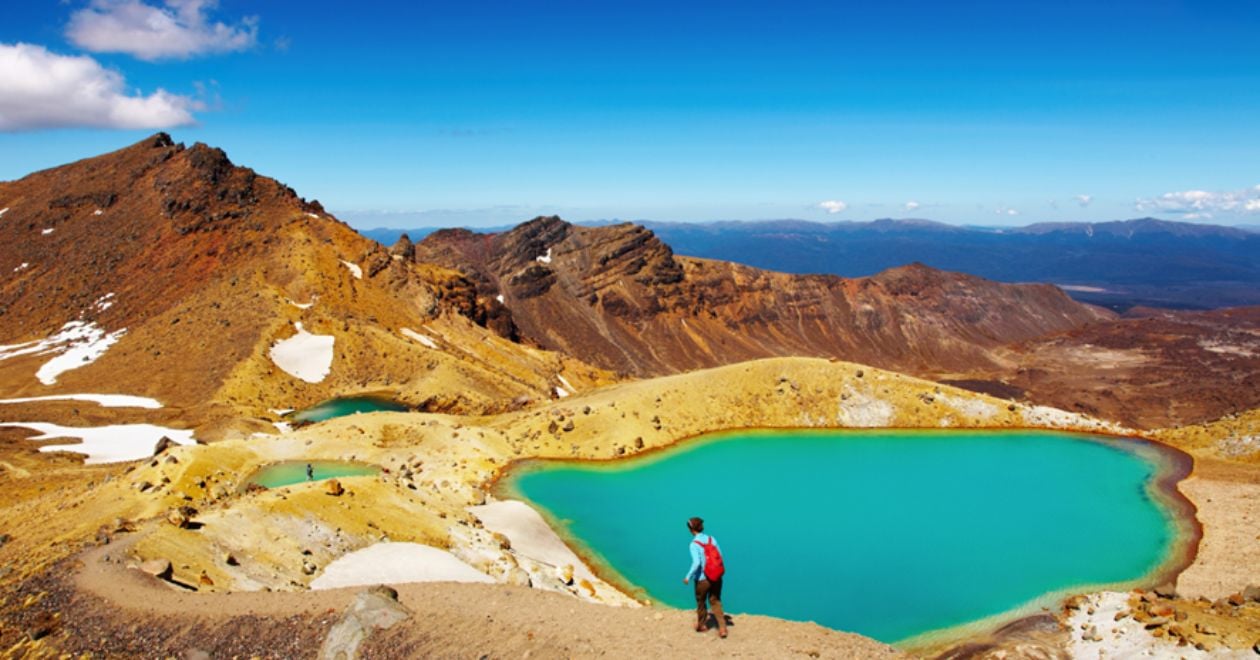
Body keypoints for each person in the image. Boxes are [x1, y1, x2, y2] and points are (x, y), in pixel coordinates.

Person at [682, 516, 727, 638]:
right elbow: (720, 556)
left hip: (703, 579)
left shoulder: (694, 544)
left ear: (691, 529)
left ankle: (701, 625)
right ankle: (722, 628)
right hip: (716, 577)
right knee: (715, 600)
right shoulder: (712, 539)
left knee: (701, 601)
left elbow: (696, 563)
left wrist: (688, 576)